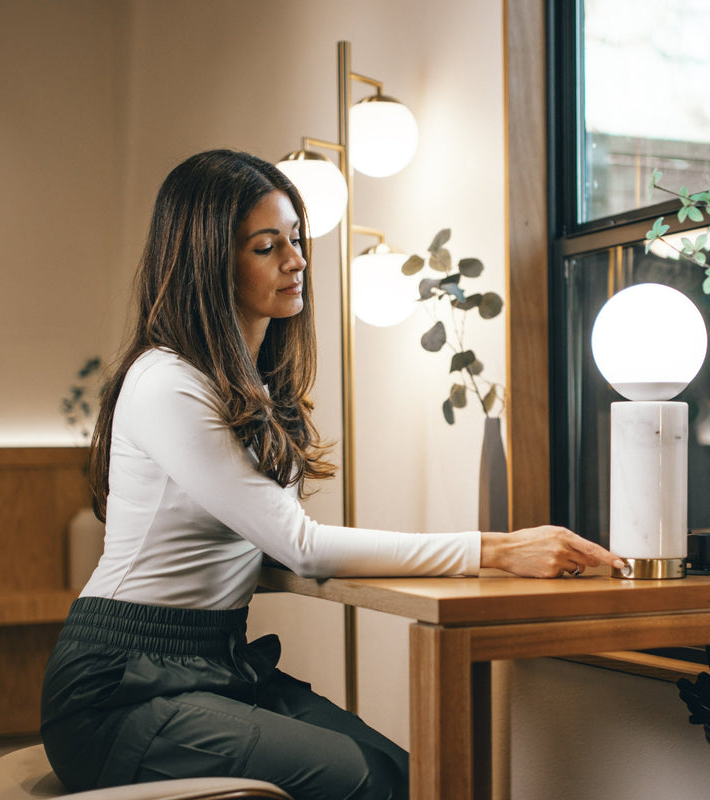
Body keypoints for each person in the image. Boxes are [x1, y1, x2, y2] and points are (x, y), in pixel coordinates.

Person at [40, 149, 624, 800]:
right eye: (267, 246)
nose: (297, 261)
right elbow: (298, 543)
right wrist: (499, 549)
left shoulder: (251, 388)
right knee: (360, 781)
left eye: (295, 239)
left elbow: (261, 538)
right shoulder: (167, 383)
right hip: (119, 690)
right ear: (209, 262)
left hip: (214, 662)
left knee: (407, 775)